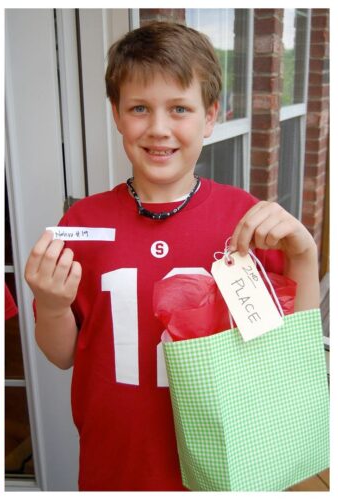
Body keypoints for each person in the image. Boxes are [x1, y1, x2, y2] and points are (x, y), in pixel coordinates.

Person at [24, 21, 319, 491]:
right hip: (116, 458)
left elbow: (288, 353)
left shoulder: (243, 217)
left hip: (226, 454)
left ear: (209, 116)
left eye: (179, 108)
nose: (158, 128)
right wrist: (54, 305)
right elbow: (61, 355)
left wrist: (304, 256)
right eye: (139, 108)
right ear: (117, 116)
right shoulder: (84, 220)